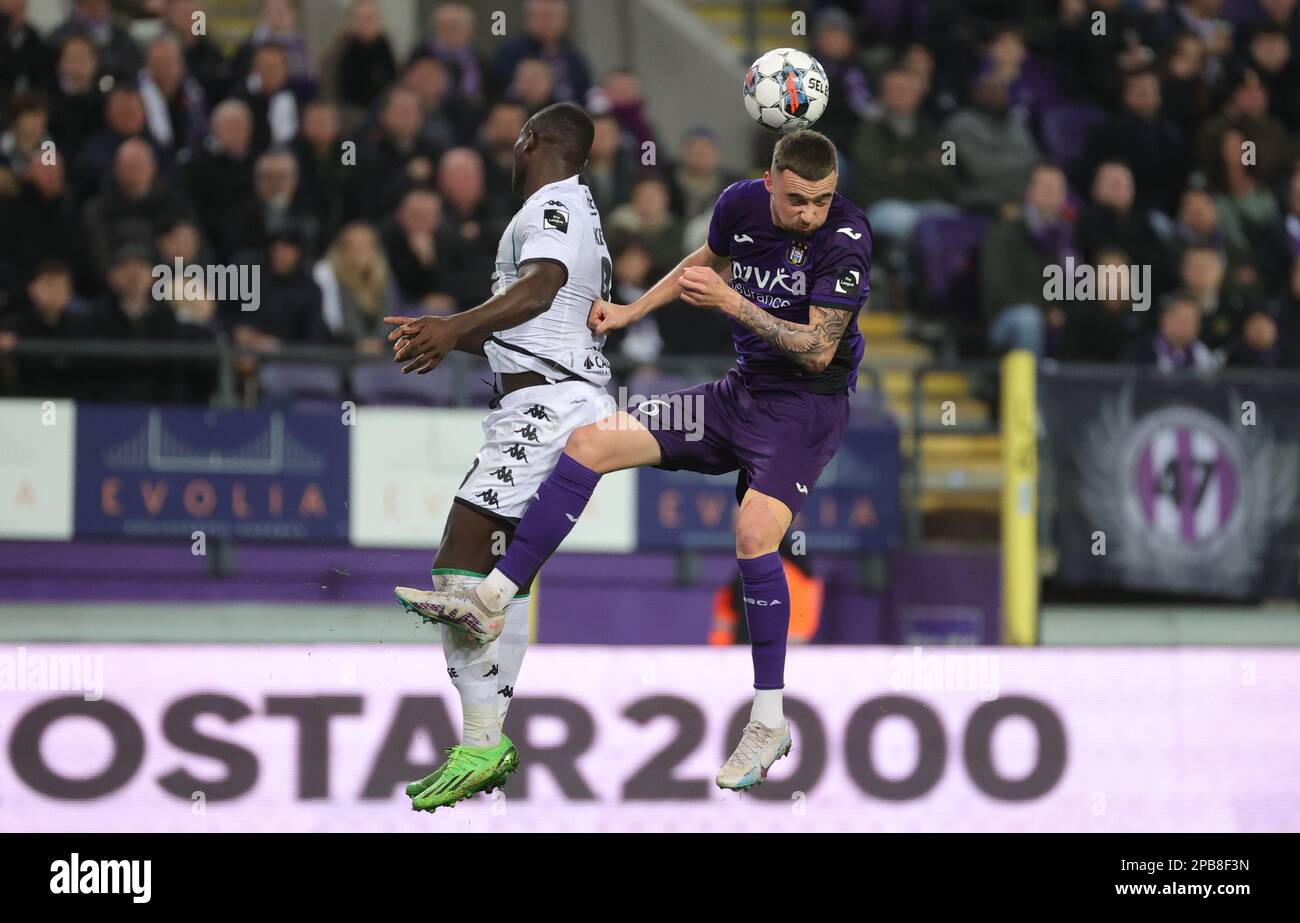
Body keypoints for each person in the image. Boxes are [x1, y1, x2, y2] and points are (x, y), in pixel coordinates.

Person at [397, 130, 871, 793]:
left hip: (804, 411)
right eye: (797, 200)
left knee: (754, 535)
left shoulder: (846, 237)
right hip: (737, 395)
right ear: (770, 181)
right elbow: (700, 263)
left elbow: (818, 349)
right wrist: (629, 310)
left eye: (821, 200)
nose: (810, 213)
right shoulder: (739, 205)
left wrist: (734, 302)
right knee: (590, 441)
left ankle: (769, 718)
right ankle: (491, 598)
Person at [383, 103, 616, 811]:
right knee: (488, 573)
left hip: (549, 402)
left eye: (514, 145)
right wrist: (463, 336)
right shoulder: (576, 207)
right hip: (542, 397)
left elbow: (542, 287)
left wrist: (452, 327)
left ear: (529, 142)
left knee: (461, 559)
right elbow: (545, 308)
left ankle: (482, 738)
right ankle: (483, 735)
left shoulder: (552, 205)